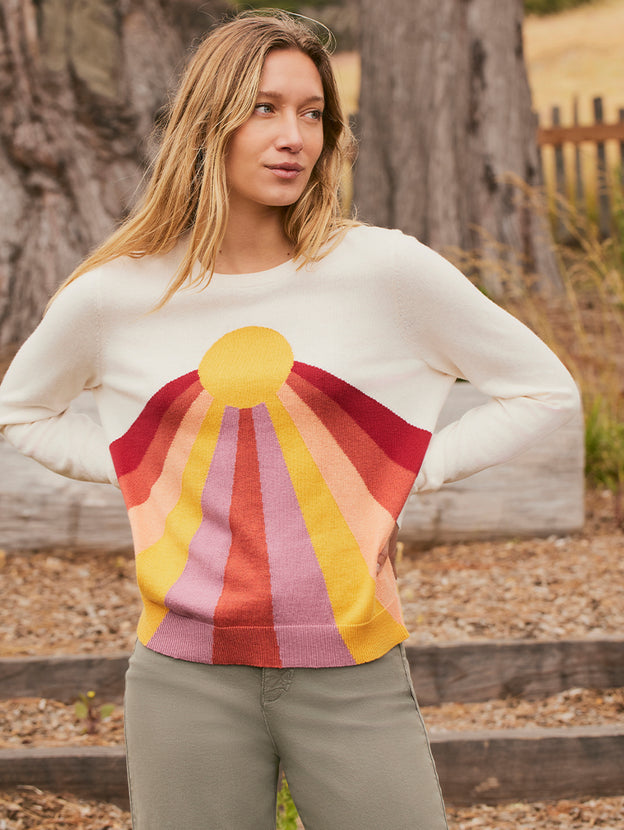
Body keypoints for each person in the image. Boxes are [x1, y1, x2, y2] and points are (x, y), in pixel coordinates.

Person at [0, 9, 580, 830]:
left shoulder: (383, 270)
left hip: (353, 667)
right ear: (208, 122)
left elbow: (543, 388)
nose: (294, 137)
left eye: (313, 114)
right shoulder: (115, 295)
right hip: (183, 677)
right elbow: (21, 410)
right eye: (265, 108)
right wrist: (143, 469)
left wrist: (407, 470)